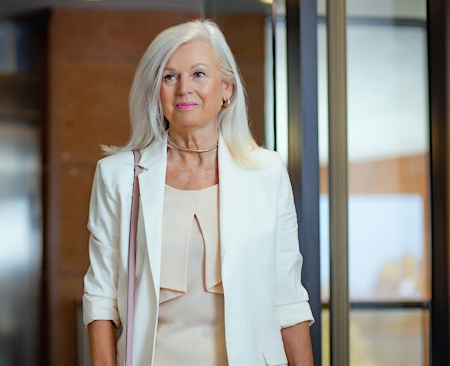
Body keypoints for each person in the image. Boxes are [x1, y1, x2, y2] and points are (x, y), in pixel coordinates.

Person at [82, 20, 314, 366]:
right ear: (155, 90)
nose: (183, 89)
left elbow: (288, 297)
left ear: (227, 90)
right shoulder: (117, 175)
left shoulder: (266, 173)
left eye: (199, 74)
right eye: (169, 76)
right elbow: (100, 296)